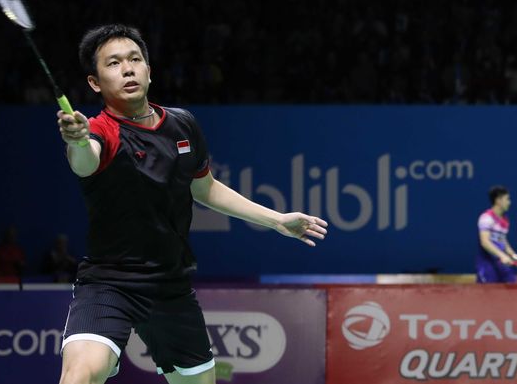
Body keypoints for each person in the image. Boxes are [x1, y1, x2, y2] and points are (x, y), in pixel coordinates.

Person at [55, 24, 328, 384]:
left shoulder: (182, 125)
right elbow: (85, 161)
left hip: (171, 284)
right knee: (80, 375)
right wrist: (75, 141)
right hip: (110, 282)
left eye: (135, 59)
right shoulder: (100, 131)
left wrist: (276, 220)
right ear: (95, 82)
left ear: (149, 71)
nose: (128, 69)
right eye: (114, 63)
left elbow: (205, 189)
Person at [475, 186, 517, 283]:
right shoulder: (486, 218)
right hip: (487, 265)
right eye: (507, 199)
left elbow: (502, 240)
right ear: (498, 200)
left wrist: (513, 255)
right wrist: (502, 255)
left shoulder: (504, 220)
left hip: (501, 264)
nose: (509, 202)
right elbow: (484, 242)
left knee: (511, 286)